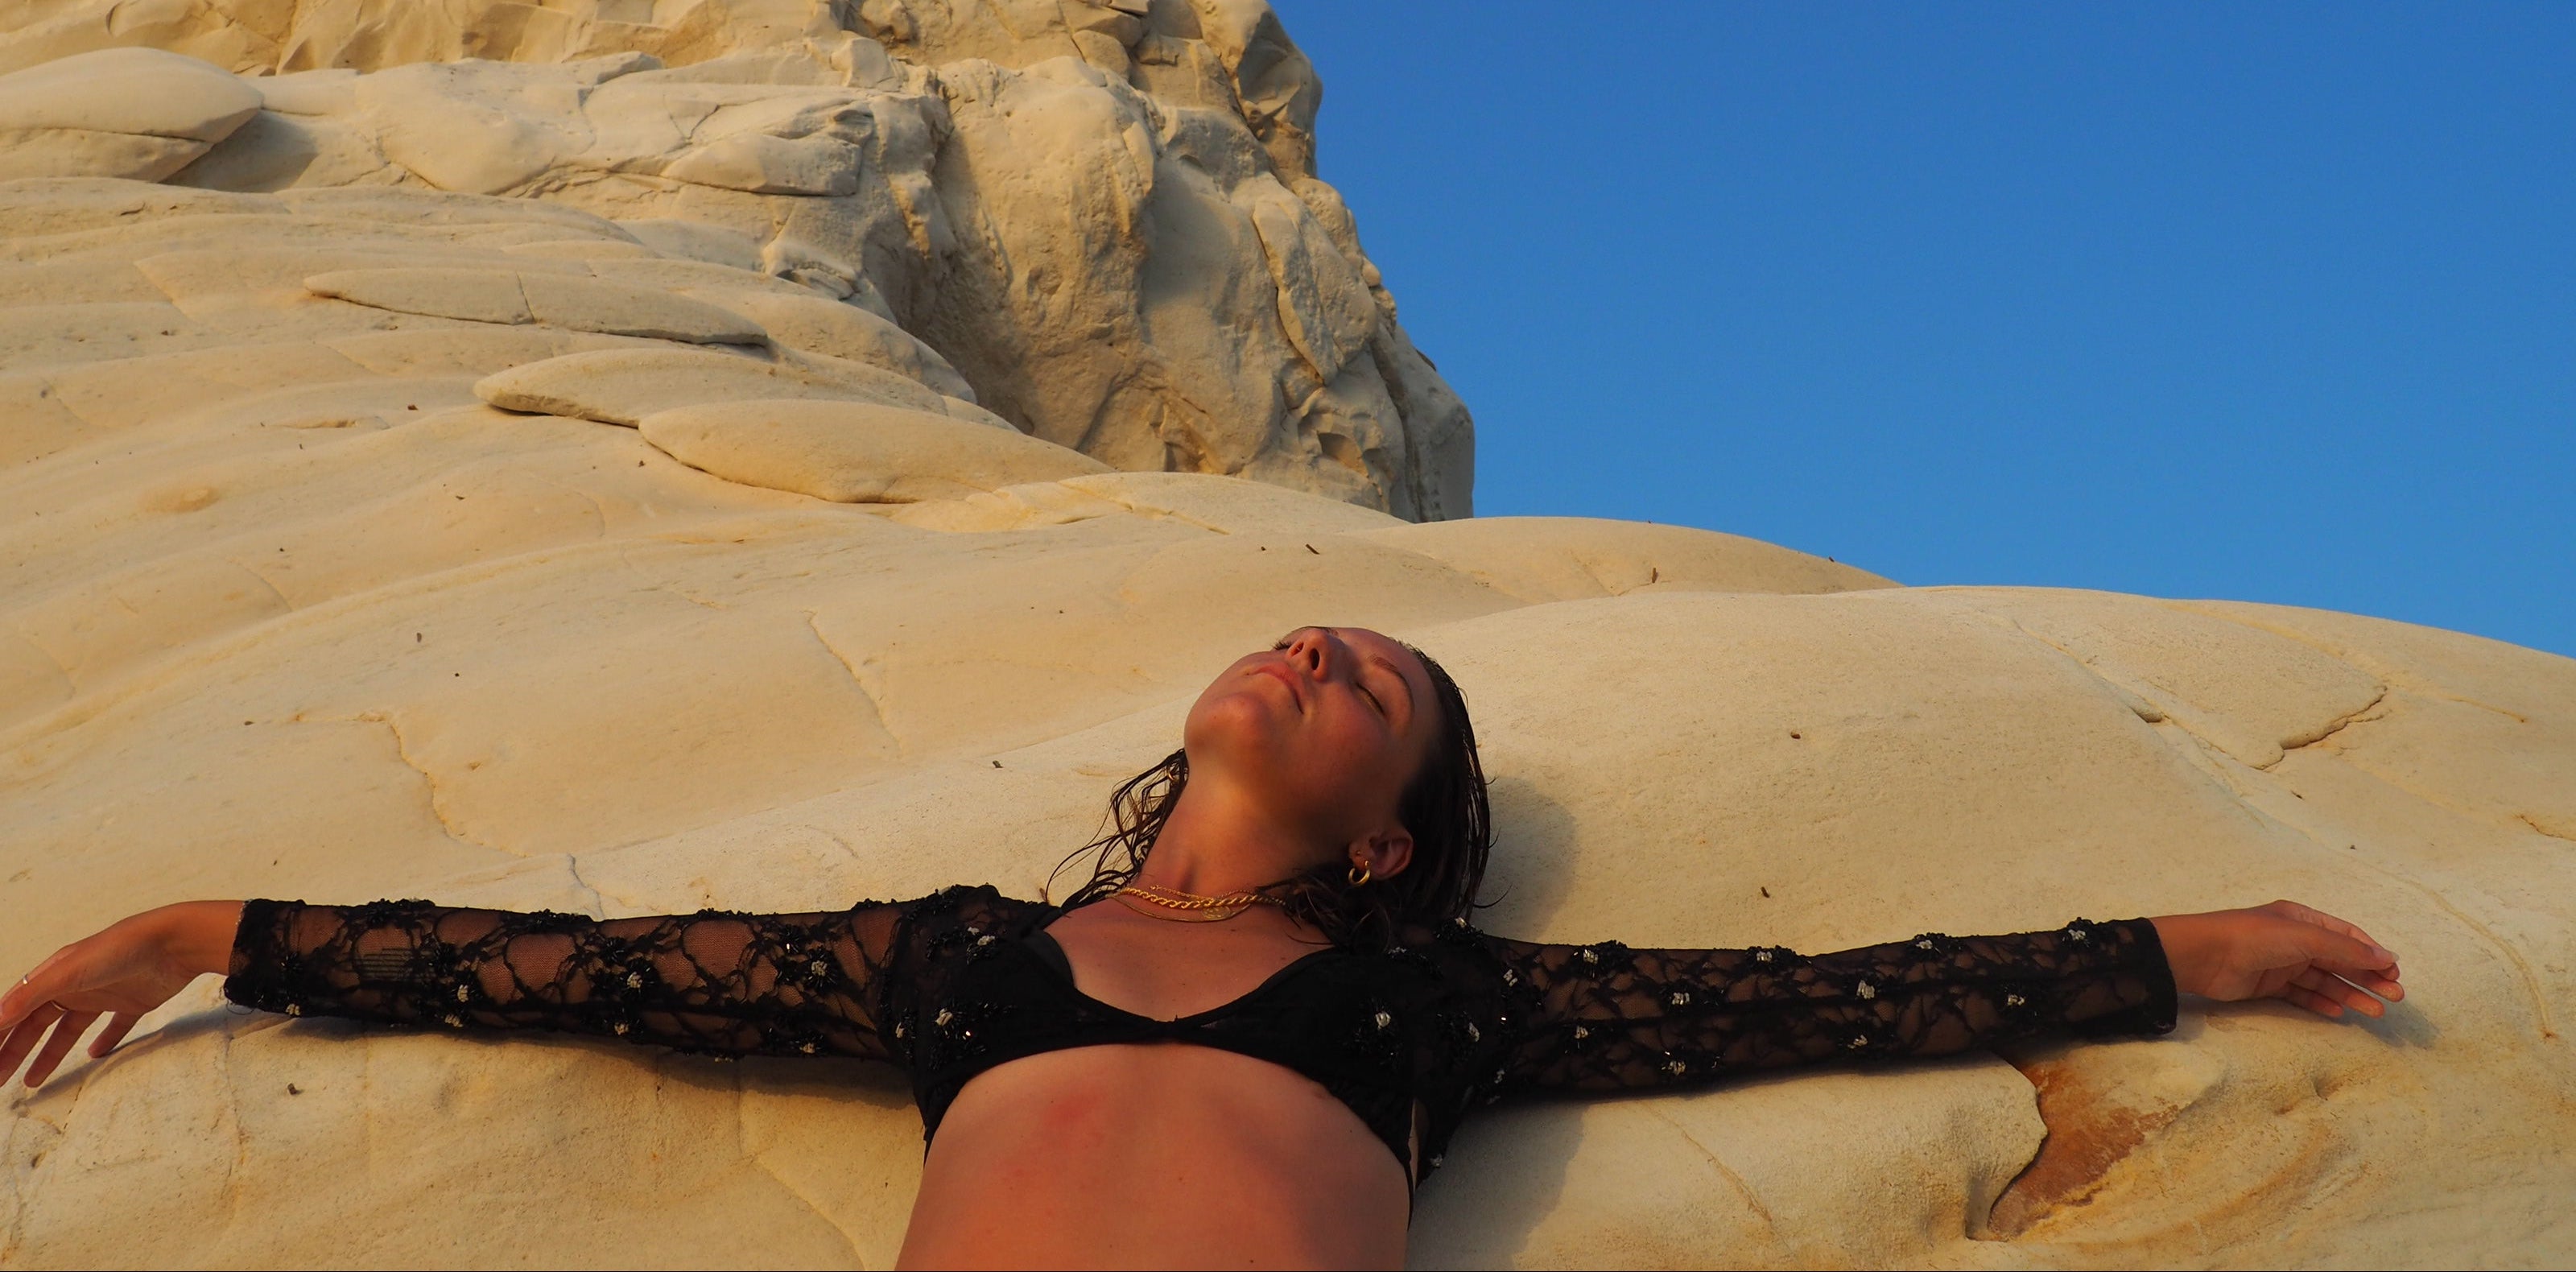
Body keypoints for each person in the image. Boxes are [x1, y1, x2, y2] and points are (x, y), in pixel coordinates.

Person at [0, 626, 2404, 1270]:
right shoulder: (950, 951)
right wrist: (204, 920)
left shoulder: (1444, 1000)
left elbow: (1841, 998)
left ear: (1395, 843)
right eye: (1302, 636)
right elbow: (586, 960)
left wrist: (2193, 941)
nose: (1317, 651)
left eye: (1377, 683)